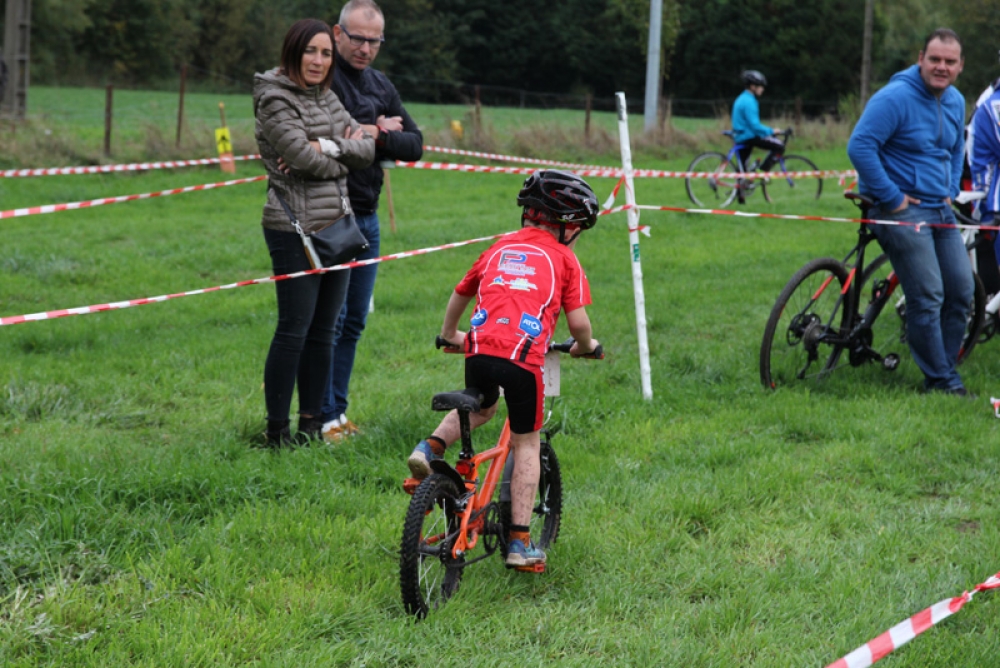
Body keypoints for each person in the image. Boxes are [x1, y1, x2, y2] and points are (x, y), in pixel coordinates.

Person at [406, 170, 601, 568]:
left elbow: (461, 291)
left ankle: (429, 448)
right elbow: (579, 324)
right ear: (566, 226)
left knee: (481, 408)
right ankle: (519, 542)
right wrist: (586, 347)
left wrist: (451, 334)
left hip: (479, 351)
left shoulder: (499, 248)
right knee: (527, 441)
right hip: (523, 359)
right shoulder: (565, 258)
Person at [254, 18, 375, 447]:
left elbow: (367, 149)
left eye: (325, 53)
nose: (319, 61)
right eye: (311, 51)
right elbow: (299, 158)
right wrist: (342, 157)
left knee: (325, 332)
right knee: (294, 330)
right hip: (293, 228)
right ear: (293, 51)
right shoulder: (274, 98)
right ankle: (276, 434)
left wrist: (324, 147)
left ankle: (309, 427)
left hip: (337, 226)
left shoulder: (328, 97)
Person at [847, 28, 973, 396]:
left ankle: (943, 366)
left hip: (939, 207)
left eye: (950, 61)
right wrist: (892, 197)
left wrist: (950, 190)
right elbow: (860, 145)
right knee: (929, 294)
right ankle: (942, 381)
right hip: (899, 209)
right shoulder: (895, 97)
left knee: (961, 290)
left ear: (960, 66)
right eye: (935, 59)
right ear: (921, 59)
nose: (941, 67)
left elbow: (955, 149)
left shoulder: (955, 100)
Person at [320, 0, 424, 441]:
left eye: (374, 41)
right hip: (331, 212)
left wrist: (375, 132)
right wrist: (377, 131)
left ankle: (338, 413)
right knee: (333, 320)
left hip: (368, 215)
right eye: (358, 38)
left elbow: (415, 143)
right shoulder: (324, 78)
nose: (365, 48)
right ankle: (321, 416)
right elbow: (332, 138)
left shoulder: (381, 83)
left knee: (356, 319)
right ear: (337, 33)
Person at [732, 70, 786, 173]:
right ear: (753, 87)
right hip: (749, 136)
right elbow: (755, 126)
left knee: (742, 172)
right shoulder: (749, 102)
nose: (763, 89)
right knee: (779, 146)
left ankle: (742, 183)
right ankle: (762, 172)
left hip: (740, 136)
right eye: (761, 86)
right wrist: (772, 131)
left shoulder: (741, 98)